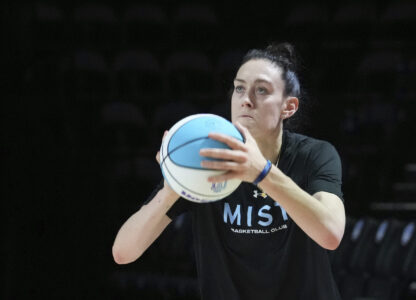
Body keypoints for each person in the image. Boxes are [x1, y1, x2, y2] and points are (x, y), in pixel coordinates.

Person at [112, 42, 345, 299]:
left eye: (262, 90)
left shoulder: (314, 155)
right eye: (239, 88)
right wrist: (171, 187)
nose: (245, 100)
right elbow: (123, 252)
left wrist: (262, 173)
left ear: (288, 107)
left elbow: (331, 233)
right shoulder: (205, 157)